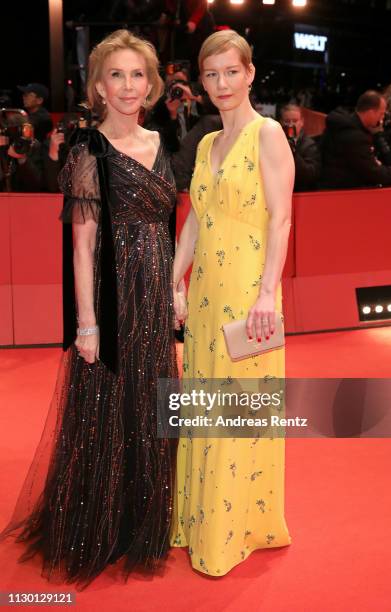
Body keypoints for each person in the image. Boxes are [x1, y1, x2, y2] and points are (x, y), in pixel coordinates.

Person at [0, 29, 177, 588]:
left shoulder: (158, 142)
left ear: (150, 84)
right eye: (117, 75)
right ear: (98, 85)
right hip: (110, 294)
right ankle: (97, 529)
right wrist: (87, 324)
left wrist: (173, 287)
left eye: (138, 75)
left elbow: (167, 226)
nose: (129, 86)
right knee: (106, 411)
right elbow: (81, 244)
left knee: (148, 405)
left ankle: (140, 524)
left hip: (152, 293)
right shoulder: (87, 151)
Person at [170, 30, 294, 575]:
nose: (221, 84)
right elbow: (196, 218)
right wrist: (174, 281)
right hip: (204, 295)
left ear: (249, 74)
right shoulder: (203, 144)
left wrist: (268, 291)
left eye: (230, 72)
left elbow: (283, 217)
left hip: (248, 292)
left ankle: (231, 531)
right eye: (210, 74)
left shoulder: (268, 135)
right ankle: (200, 519)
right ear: (203, 82)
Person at [320, 90, 391, 189]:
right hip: (341, 192)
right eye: (381, 114)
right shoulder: (355, 136)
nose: (382, 118)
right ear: (371, 113)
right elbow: (374, 173)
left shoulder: (345, 124)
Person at [279, 103, 321, 191]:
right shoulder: (274, 142)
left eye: (295, 121)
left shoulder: (310, 145)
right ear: (281, 122)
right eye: (287, 121)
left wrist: (293, 153)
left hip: (301, 193)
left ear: (301, 122)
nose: (291, 125)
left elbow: (311, 175)